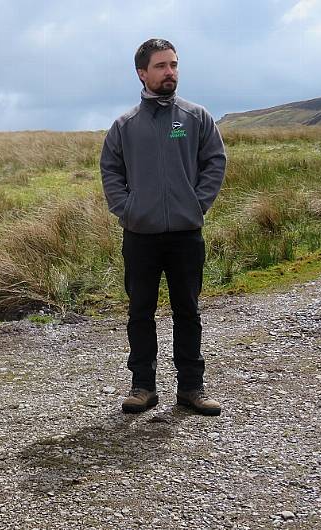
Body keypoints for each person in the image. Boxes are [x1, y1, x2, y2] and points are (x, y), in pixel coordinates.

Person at [100, 39, 227, 416]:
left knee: (187, 310)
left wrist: (196, 204)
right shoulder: (125, 125)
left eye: (173, 65)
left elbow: (215, 162)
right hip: (140, 236)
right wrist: (128, 210)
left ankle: (191, 388)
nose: (170, 72)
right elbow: (110, 170)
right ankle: (143, 387)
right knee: (141, 312)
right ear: (142, 73)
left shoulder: (196, 117)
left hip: (186, 235)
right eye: (161, 66)